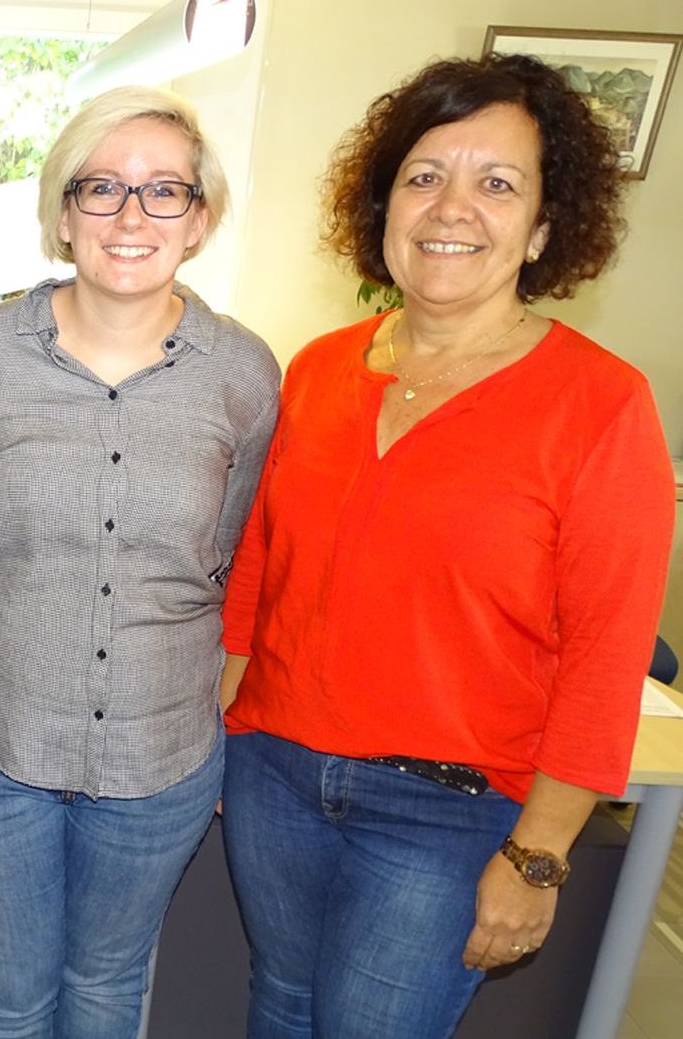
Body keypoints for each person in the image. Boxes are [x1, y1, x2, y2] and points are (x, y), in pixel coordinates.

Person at [219, 53, 675, 1038]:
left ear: (544, 228)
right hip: (276, 782)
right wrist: (225, 727)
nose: (449, 208)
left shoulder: (600, 406)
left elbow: (606, 654)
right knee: (280, 1011)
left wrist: (537, 857)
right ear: (383, 207)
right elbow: (260, 572)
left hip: (449, 817)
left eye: (496, 183)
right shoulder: (319, 370)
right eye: (423, 177)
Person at [0, 86, 279, 1037]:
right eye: (101, 186)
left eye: (163, 192)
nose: (129, 215)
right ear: (62, 213)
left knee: (108, 992)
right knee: (6, 1003)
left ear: (198, 220)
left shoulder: (244, 374)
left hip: (160, 758)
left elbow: (227, 559)